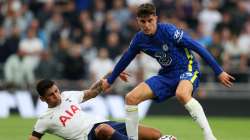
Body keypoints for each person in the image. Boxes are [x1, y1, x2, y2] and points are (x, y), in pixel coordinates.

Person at [102, 3, 235, 140]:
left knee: (182, 94)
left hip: (187, 68)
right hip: (167, 74)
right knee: (131, 98)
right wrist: (110, 80)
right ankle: (132, 138)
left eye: (150, 21)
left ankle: (209, 136)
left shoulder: (168, 31)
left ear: (156, 18)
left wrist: (219, 71)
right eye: (143, 21)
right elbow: (126, 58)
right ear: (138, 21)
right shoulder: (139, 40)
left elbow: (197, 46)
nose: (147, 25)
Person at [28, 73, 167, 140]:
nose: (56, 95)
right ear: (42, 99)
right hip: (89, 136)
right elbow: (33, 138)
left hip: (105, 124)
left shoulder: (67, 96)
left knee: (155, 134)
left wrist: (112, 74)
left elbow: (92, 92)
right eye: (51, 95)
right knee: (103, 130)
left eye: (56, 91)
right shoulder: (44, 119)